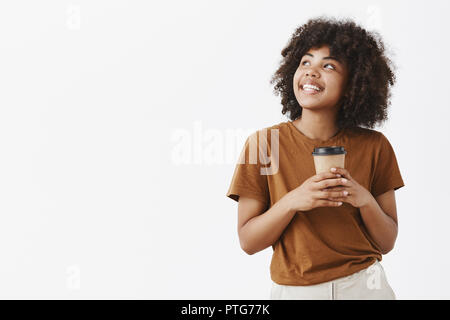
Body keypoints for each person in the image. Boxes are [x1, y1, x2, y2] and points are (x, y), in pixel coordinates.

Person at [226, 16, 405, 300]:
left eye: (329, 65)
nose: (311, 72)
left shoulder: (375, 146)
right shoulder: (263, 144)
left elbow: (387, 241)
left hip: (364, 287)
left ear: (354, 82)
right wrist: (293, 201)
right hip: (295, 292)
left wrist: (363, 199)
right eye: (305, 62)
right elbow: (248, 241)